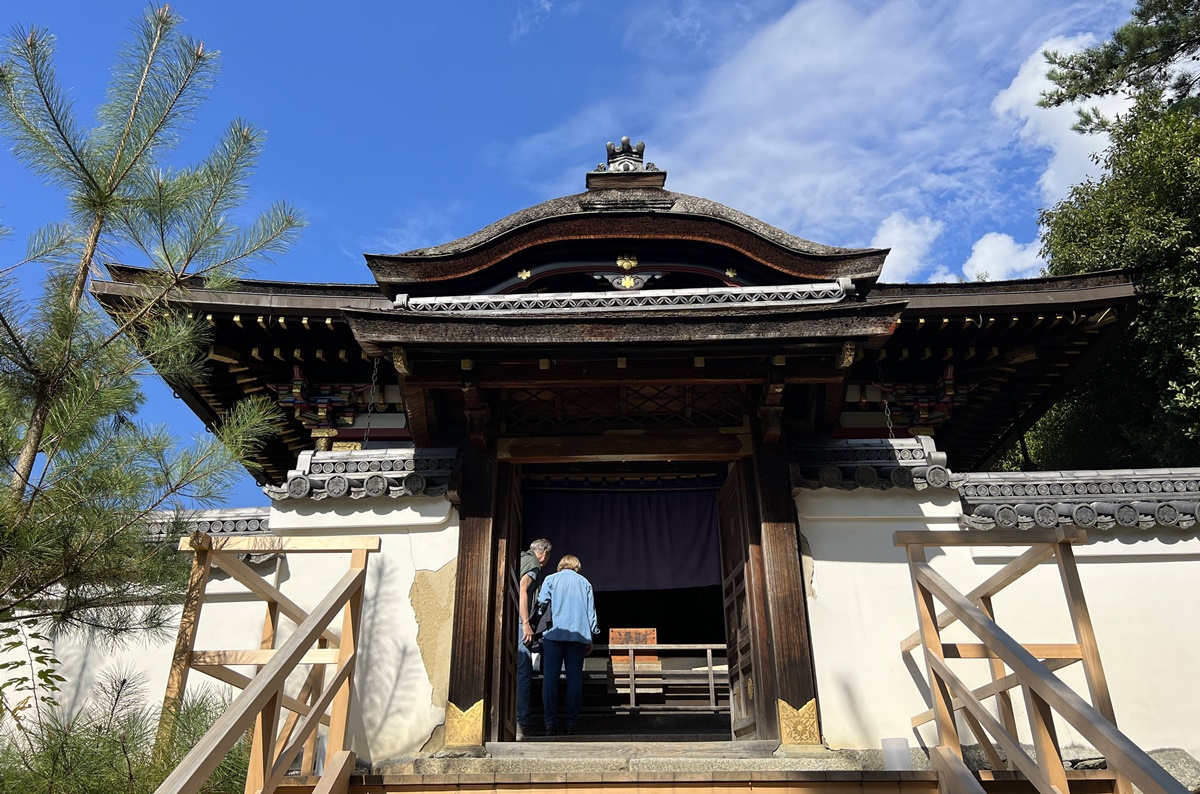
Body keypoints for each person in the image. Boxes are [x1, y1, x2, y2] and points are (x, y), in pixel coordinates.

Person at [537, 554, 599, 736]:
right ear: (576, 566)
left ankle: (550, 723)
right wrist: (590, 636)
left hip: (553, 635)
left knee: (550, 680)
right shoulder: (585, 583)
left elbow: (541, 604)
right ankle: (571, 724)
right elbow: (591, 613)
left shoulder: (550, 580)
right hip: (578, 636)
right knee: (574, 681)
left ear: (561, 565)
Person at [516, 538, 552, 739]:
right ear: (544, 553)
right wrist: (526, 623)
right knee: (524, 670)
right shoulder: (532, 565)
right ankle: (522, 721)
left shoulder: (518, 559)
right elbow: (523, 590)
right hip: (520, 622)